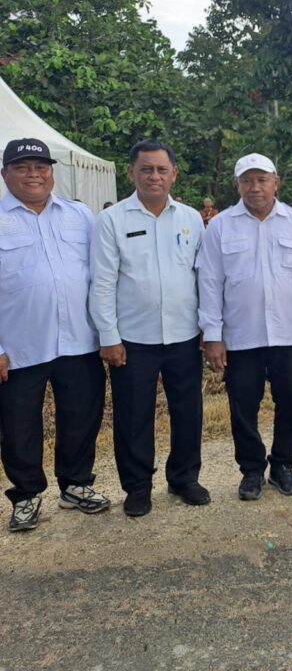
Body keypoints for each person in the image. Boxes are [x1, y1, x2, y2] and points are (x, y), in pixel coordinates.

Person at [198, 153, 292, 501]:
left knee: (289, 401)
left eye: (262, 180)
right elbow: (210, 283)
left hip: (290, 333)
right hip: (241, 336)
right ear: (237, 184)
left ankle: (283, 465)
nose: (255, 187)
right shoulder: (221, 225)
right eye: (247, 181)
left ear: (276, 182)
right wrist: (212, 336)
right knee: (243, 405)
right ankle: (252, 470)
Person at [90, 139, 207, 517]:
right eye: (146, 169)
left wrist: (208, 327)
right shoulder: (112, 221)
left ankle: (184, 477)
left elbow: (202, 278)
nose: (154, 176)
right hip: (133, 340)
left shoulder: (190, 219)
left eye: (161, 169)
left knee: (188, 411)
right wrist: (108, 336)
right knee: (133, 416)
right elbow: (103, 282)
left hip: (184, 336)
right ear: (131, 173)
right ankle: (138, 487)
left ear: (174, 173)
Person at [0, 139, 109, 532]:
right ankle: (26, 495)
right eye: (23, 166)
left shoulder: (80, 215)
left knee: (82, 415)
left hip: (80, 340)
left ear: (52, 172)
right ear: (4, 173)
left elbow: (102, 275)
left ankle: (76, 485)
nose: (34, 174)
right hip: (20, 346)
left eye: (41, 166)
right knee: (18, 424)